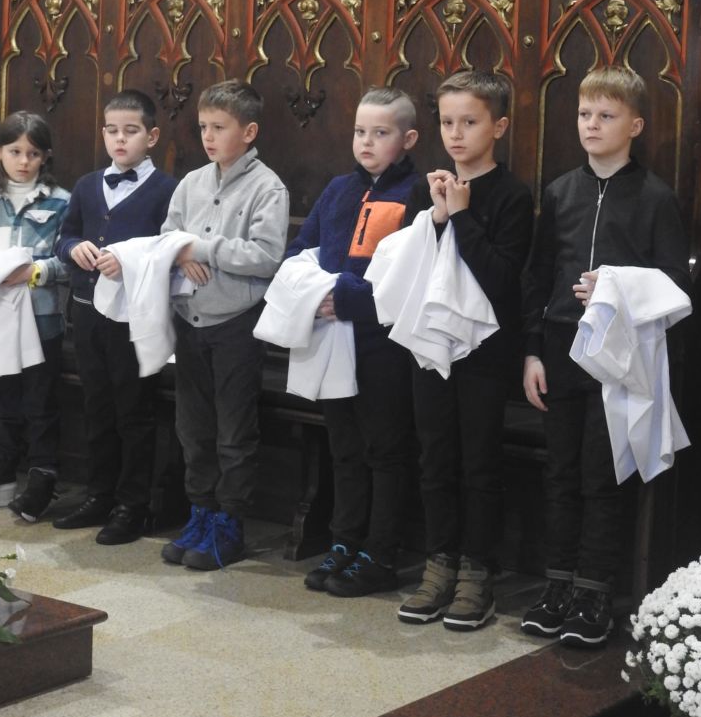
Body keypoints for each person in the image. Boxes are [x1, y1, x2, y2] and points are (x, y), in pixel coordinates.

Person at [521, 65, 691, 648]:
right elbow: (538, 276)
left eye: (606, 115)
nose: (592, 125)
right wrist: (532, 353)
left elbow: (674, 283)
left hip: (619, 359)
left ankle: (594, 592)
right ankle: (557, 585)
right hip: (561, 349)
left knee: (602, 474)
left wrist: (615, 286)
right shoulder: (560, 192)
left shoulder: (655, 198)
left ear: (635, 126)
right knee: (560, 472)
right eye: (584, 114)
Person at [397, 71, 533, 629]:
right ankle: (439, 565)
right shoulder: (424, 190)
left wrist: (461, 214)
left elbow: (500, 278)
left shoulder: (512, 195)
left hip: (486, 353)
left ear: (498, 127)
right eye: (447, 122)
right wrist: (435, 216)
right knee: (434, 458)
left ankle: (478, 573)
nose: (455, 134)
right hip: (431, 347)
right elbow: (409, 269)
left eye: (469, 122)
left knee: (478, 462)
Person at [288, 86, 420, 598]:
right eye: (360, 131)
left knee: (384, 448)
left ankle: (380, 552)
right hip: (333, 337)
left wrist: (347, 299)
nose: (366, 142)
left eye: (380, 133)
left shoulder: (415, 194)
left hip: (383, 343)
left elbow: (410, 275)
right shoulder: (339, 188)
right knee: (343, 446)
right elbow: (303, 250)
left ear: (408, 139)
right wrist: (312, 292)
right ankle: (343, 541)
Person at [159, 79, 289, 571]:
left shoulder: (267, 188)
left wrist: (201, 248)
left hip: (236, 323)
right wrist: (179, 251)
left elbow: (266, 256)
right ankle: (201, 513)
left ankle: (229, 523)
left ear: (248, 132)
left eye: (219, 127)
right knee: (194, 428)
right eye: (203, 127)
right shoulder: (191, 183)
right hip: (190, 321)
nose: (209, 137)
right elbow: (168, 236)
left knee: (233, 432)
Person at [53, 89, 176, 545]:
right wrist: (74, 249)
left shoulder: (167, 190)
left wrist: (129, 262)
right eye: (112, 131)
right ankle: (99, 494)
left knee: (133, 411)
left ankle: (132, 504)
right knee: (97, 407)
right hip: (87, 313)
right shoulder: (88, 185)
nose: (120, 139)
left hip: (132, 318)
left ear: (152, 136)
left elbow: (168, 250)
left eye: (131, 131)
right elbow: (63, 237)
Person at [0, 112, 70, 522]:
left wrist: (35, 271)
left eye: (33, 154)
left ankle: (42, 474)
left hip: (41, 319)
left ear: (45, 157)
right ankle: (2, 464)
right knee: (4, 399)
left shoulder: (61, 202)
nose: (23, 161)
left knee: (40, 401)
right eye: (15, 151)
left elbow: (68, 260)